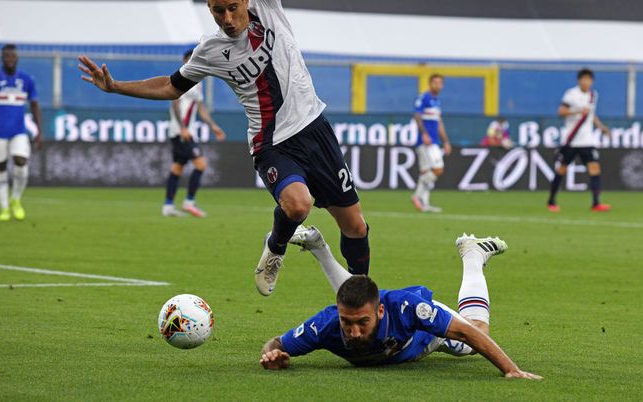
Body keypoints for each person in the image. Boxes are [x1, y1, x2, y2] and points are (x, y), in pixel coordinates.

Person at [78, 0, 370, 296]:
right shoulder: (210, 50)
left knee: (356, 227)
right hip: (272, 144)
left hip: (314, 129)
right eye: (218, 11)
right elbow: (170, 85)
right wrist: (116, 86)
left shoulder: (267, 8)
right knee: (298, 204)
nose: (227, 19)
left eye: (233, 7)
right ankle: (276, 246)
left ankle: (362, 299)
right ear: (209, 8)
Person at [259, 226, 542, 380]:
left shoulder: (407, 309)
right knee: (354, 297)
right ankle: (319, 247)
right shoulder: (325, 325)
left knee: (472, 341)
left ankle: (473, 256)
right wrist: (272, 355)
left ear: (380, 311)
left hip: (422, 337)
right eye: (348, 323)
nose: (354, 332)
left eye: (363, 323)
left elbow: (470, 332)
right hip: (394, 339)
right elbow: (276, 344)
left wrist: (511, 370)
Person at [0, 44, 43, 222]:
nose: (10, 60)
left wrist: (39, 131)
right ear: (2, 59)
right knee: (0, 167)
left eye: (12, 57)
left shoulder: (27, 80)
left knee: (21, 160)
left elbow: (35, 105)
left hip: (18, 130)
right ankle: (4, 208)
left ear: (17, 58)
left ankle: (16, 199)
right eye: (6, 57)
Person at [163, 50, 227, 218]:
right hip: (180, 131)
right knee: (201, 164)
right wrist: (183, 127)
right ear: (185, 60)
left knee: (177, 168)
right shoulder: (180, 78)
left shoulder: (198, 83)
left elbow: (200, 108)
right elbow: (175, 104)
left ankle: (168, 206)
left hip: (185, 131)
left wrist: (213, 126)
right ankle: (189, 201)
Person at [547, 68, 611, 213]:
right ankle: (551, 200)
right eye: (584, 79)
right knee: (562, 169)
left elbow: (591, 114)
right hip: (571, 140)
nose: (586, 82)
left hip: (587, 140)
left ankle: (596, 203)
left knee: (594, 169)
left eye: (589, 79)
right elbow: (561, 111)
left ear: (592, 81)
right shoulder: (571, 94)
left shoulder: (593, 95)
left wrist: (601, 127)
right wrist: (577, 111)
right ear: (579, 80)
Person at [411, 74, 451, 213]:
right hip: (426, 142)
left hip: (434, 141)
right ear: (430, 83)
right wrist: (424, 134)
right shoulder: (424, 97)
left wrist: (446, 141)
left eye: (440, 83)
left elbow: (439, 122)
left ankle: (424, 203)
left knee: (425, 172)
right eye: (435, 82)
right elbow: (417, 116)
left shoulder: (437, 101)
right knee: (438, 169)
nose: (437, 85)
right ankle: (417, 196)